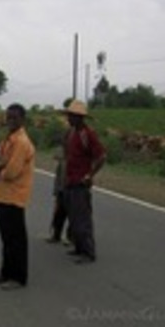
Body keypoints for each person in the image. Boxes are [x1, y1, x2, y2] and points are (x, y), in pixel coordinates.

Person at [0, 103, 34, 290]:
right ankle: (6, 272)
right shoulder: (10, 139)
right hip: (3, 195)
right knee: (6, 238)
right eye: (8, 117)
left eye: (14, 118)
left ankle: (18, 277)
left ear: (22, 119)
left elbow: (11, 172)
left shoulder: (21, 142)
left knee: (16, 239)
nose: (10, 121)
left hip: (14, 195)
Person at [62, 100, 106, 264]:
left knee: (82, 219)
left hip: (80, 182)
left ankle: (88, 252)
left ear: (80, 118)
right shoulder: (73, 133)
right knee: (74, 218)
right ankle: (79, 247)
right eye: (69, 115)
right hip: (70, 180)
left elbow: (101, 156)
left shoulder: (87, 134)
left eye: (72, 116)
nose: (69, 118)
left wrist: (90, 174)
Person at [46, 149, 69, 244]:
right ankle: (56, 234)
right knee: (59, 213)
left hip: (73, 189)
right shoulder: (63, 161)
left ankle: (71, 237)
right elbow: (57, 177)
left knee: (74, 216)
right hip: (62, 189)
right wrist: (56, 191)